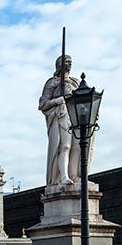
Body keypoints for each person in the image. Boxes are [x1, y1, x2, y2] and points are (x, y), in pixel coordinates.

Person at [38, 55, 81, 186]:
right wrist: (58, 100)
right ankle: (63, 177)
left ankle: (75, 175)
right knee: (65, 146)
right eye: (66, 61)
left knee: (78, 147)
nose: (69, 64)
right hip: (62, 115)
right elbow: (43, 104)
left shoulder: (75, 82)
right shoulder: (53, 82)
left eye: (70, 61)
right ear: (59, 65)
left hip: (77, 117)